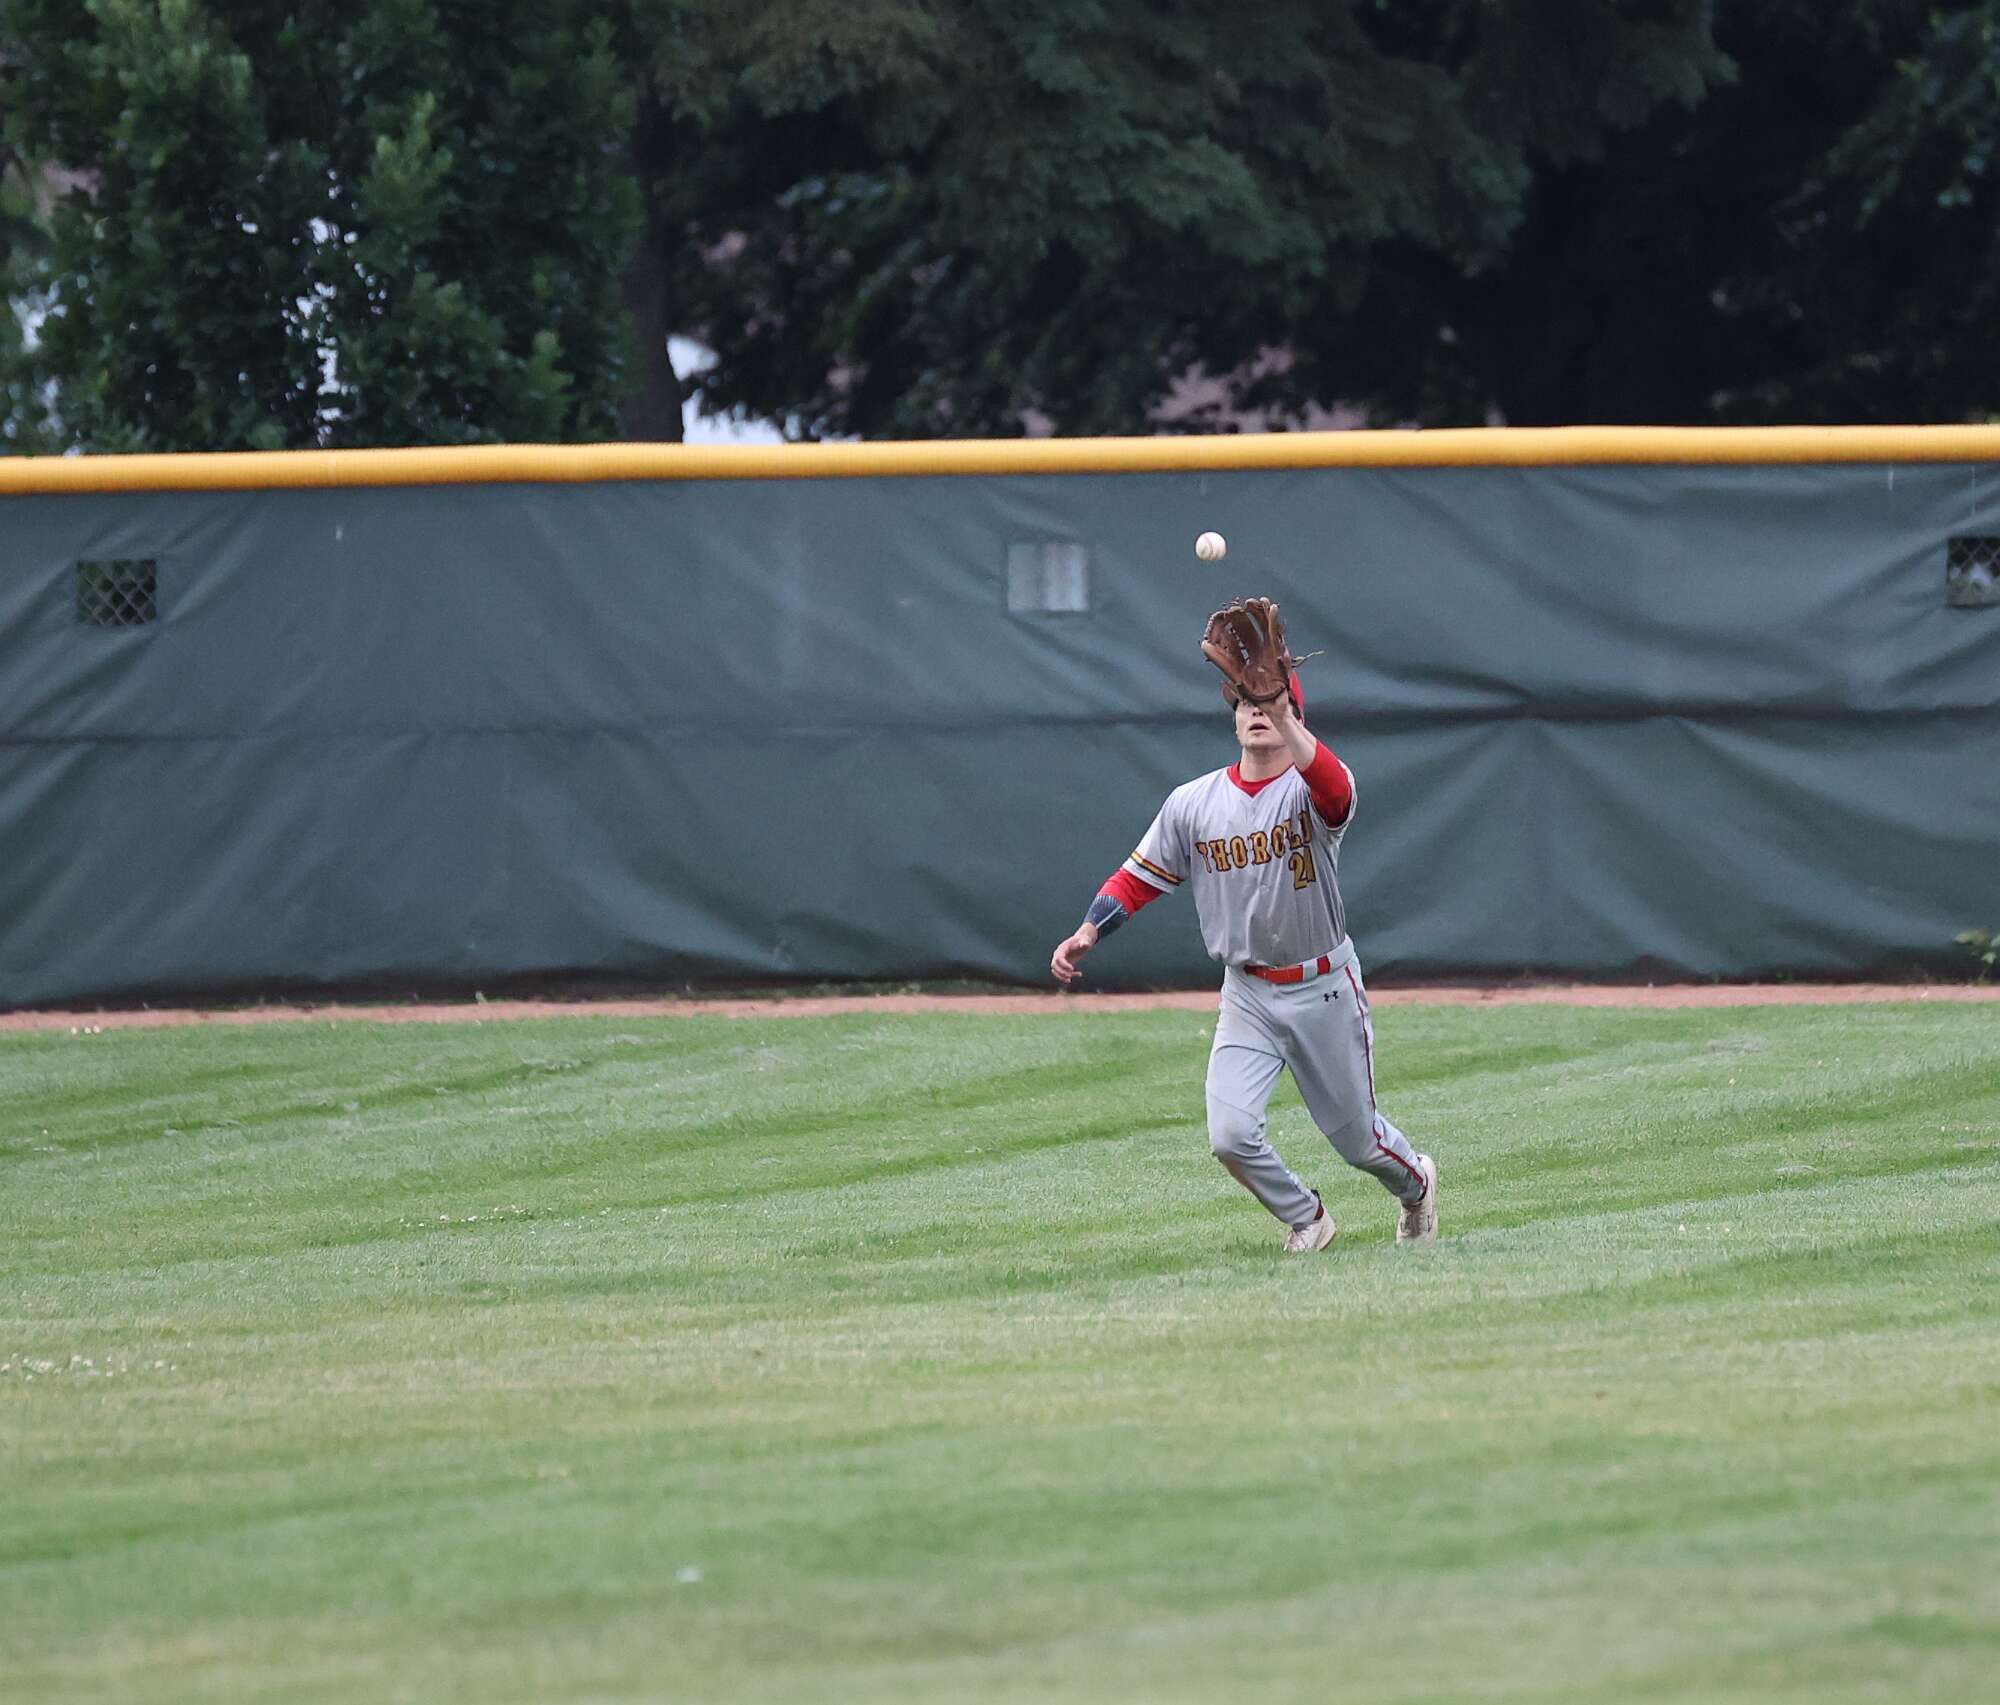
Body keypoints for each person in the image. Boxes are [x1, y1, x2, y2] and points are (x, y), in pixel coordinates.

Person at [1049, 671, 1437, 1251]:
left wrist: (1283, 710)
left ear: (1296, 717)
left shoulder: (1312, 790)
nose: (1256, 712)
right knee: (1230, 1134)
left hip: (1323, 987)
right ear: (1233, 719)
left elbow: (1335, 790)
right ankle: (1307, 1218)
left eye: (1271, 704)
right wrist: (1089, 930)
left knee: (1359, 1142)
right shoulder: (1193, 803)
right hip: (1247, 991)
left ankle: (1417, 1187)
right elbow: (1136, 877)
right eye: (1246, 703)